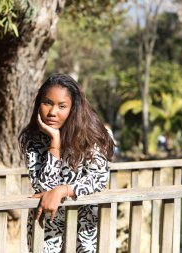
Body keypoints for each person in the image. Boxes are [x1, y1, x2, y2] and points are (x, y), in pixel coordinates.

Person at [19, 74, 115, 253]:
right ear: (39, 103)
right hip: (46, 223)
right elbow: (43, 187)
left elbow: (99, 178)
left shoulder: (91, 135)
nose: (52, 112)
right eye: (47, 102)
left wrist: (63, 189)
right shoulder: (31, 138)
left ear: (73, 108)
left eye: (62, 106)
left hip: (85, 222)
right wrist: (54, 143)